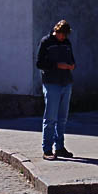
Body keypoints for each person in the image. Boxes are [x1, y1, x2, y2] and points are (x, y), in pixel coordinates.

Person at [36, 19, 75, 160]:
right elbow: (39, 63)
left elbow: (72, 59)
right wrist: (57, 65)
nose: (63, 38)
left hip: (66, 82)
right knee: (50, 118)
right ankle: (47, 149)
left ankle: (60, 147)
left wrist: (71, 65)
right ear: (56, 31)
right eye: (62, 35)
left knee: (62, 118)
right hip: (51, 83)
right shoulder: (46, 42)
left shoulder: (66, 43)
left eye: (65, 35)